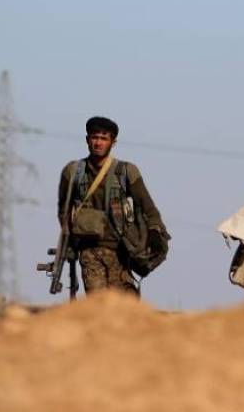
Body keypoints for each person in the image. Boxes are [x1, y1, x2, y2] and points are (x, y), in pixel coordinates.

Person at [57, 116, 170, 296]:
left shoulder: (125, 171)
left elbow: (148, 208)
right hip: (89, 251)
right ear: (87, 139)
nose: (98, 143)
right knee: (99, 303)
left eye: (104, 138)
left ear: (113, 142)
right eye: (94, 137)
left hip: (121, 250)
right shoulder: (73, 172)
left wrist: (155, 232)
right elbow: (64, 211)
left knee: (126, 304)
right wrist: (69, 241)